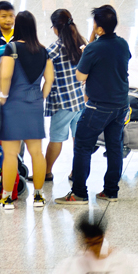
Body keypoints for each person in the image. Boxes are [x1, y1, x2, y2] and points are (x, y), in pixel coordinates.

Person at [57, 5, 131, 204]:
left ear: (98, 27)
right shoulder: (123, 44)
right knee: (115, 146)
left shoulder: (93, 48)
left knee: (82, 145)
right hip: (121, 105)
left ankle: (79, 192)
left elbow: (80, 75)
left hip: (99, 107)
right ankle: (111, 191)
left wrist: (92, 43)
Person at [0, 11, 53, 210]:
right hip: (34, 103)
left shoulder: (12, 48)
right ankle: (38, 196)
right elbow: (49, 79)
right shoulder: (44, 50)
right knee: (37, 152)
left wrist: (2, 97)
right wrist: (41, 96)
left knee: (10, 154)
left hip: (13, 104)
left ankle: (8, 198)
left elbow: (6, 76)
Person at [45, 9, 86, 184]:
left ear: (55, 28)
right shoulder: (81, 43)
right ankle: (76, 172)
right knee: (79, 140)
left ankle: (46, 172)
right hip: (80, 100)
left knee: (56, 139)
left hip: (63, 102)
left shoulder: (54, 49)